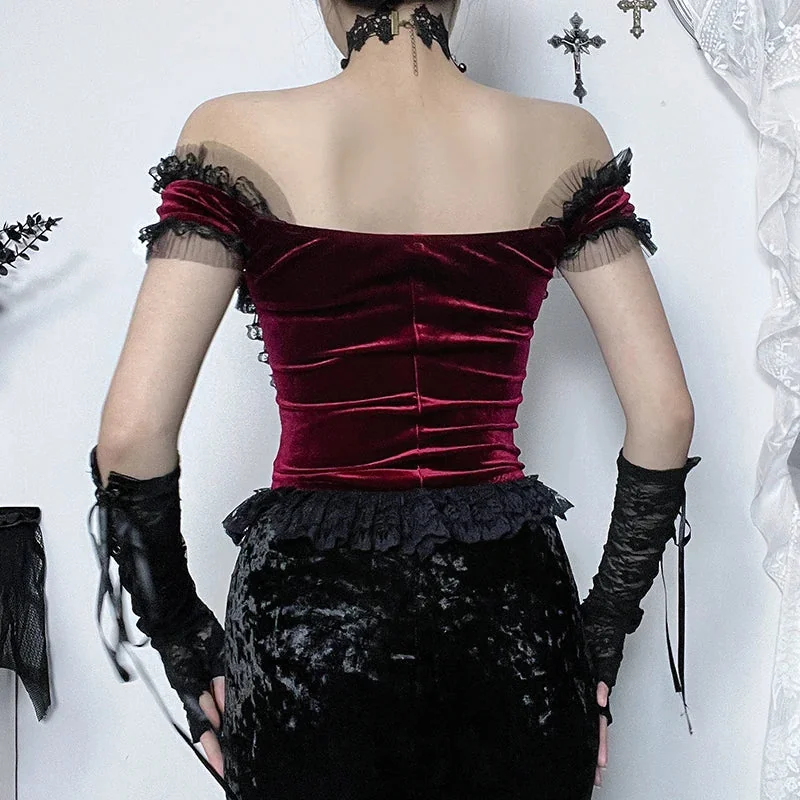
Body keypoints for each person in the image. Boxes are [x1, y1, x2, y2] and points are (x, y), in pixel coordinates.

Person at [87, 1, 701, 798]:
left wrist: (183, 640)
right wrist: (600, 637)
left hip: (310, 623)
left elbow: (131, 436)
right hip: (509, 612)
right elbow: (666, 413)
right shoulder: (565, 140)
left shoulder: (233, 133)